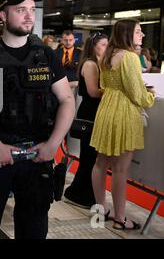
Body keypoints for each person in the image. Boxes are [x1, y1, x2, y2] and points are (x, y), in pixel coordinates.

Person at [0, 0, 75, 239]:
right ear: (2, 15)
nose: (28, 16)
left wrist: (52, 145)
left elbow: (67, 99)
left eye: (32, 10)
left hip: (37, 159)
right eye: (20, 9)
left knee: (34, 231)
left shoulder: (45, 56)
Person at [90, 19, 155, 230]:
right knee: (120, 170)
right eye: (138, 31)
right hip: (124, 114)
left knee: (100, 164)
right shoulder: (130, 57)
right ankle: (120, 219)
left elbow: (105, 85)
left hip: (106, 111)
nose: (142, 34)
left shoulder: (108, 55)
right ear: (127, 33)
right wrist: (150, 96)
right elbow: (137, 95)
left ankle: (101, 212)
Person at [63, 32, 108, 208]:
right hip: (90, 112)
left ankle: (84, 193)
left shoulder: (99, 64)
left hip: (95, 111)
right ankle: (80, 194)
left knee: (92, 156)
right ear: (94, 46)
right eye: (103, 44)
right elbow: (93, 92)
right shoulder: (90, 64)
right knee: (89, 156)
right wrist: (114, 91)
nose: (106, 48)